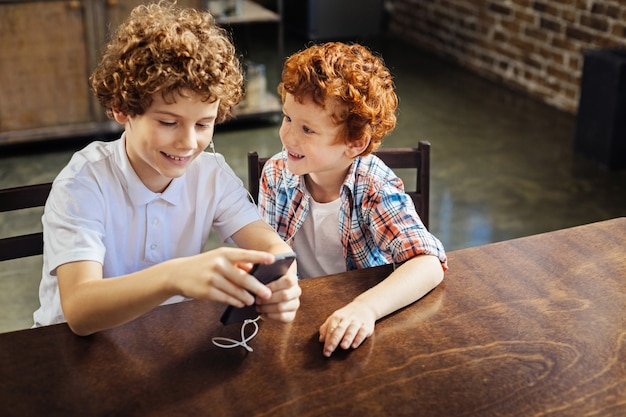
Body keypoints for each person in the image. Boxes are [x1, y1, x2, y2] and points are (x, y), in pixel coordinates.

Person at [32, 1, 300, 336]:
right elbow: (80, 311)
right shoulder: (83, 183)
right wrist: (174, 276)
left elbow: (272, 247)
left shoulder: (211, 175)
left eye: (204, 124)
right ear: (122, 108)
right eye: (168, 122)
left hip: (159, 339)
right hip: (68, 350)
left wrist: (282, 281)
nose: (188, 142)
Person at [258, 42, 448, 357]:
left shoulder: (373, 184)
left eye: (307, 129)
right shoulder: (276, 174)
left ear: (354, 144)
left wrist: (366, 309)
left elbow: (428, 263)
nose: (288, 136)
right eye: (287, 118)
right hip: (298, 314)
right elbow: (266, 255)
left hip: (360, 317)